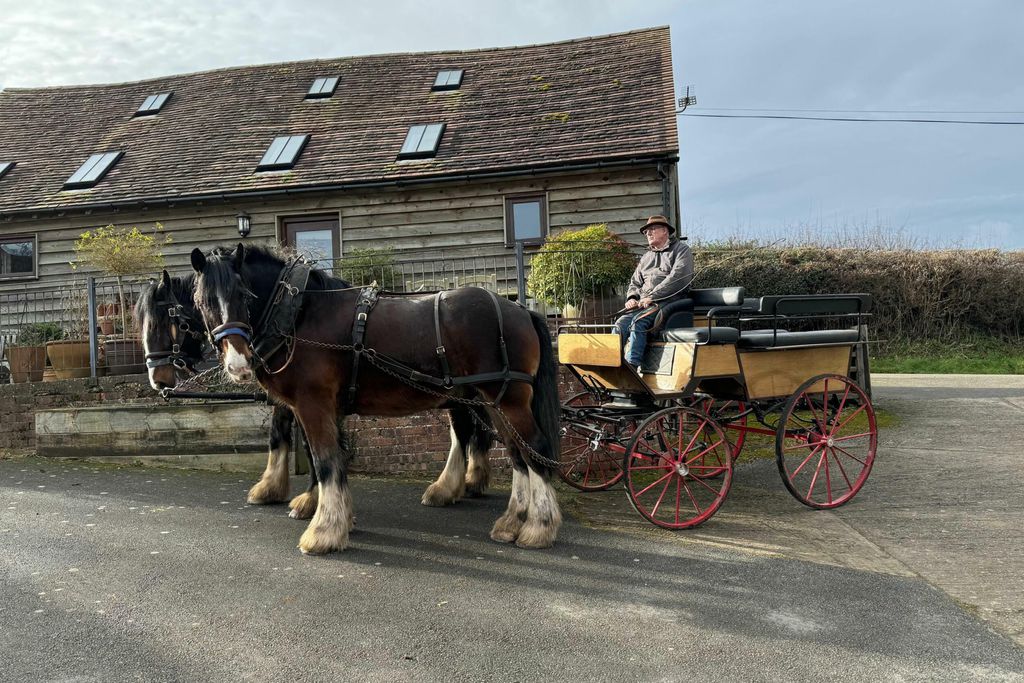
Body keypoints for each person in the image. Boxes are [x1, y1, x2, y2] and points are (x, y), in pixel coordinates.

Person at [615, 215, 693, 371]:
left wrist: (653, 296)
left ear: (665, 231)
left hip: (670, 301)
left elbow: (678, 278)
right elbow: (635, 282)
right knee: (620, 323)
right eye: (646, 232)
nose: (648, 234)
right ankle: (614, 364)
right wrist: (632, 298)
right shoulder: (646, 257)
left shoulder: (681, 250)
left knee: (639, 322)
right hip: (645, 303)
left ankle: (632, 367)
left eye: (652, 230)